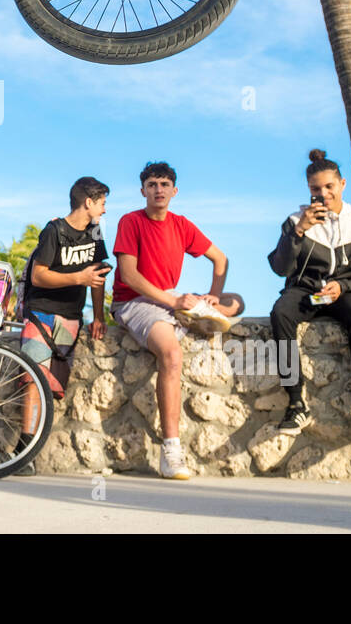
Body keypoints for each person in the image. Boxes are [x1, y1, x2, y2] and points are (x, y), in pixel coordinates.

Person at [110, 161, 245, 480]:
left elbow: (220, 258)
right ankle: (171, 451)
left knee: (235, 301)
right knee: (171, 354)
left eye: (164, 184)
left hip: (170, 299)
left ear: (174, 191)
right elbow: (129, 275)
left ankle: (203, 314)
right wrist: (173, 301)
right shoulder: (130, 221)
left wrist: (212, 296)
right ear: (143, 190)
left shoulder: (182, 224)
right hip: (134, 302)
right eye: (152, 184)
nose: (159, 189)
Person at [268, 149, 351, 447]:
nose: (323, 194)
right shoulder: (295, 221)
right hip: (305, 292)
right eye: (315, 189)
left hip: (345, 293)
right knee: (280, 311)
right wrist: (298, 232)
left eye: (329, 187)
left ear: (342, 184)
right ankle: (295, 402)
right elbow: (280, 267)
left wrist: (343, 288)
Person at [18, 177, 110, 461]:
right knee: (32, 379)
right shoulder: (54, 230)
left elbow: (98, 276)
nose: (105, 210)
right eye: (103, 203)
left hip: (71, 318)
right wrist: (77, 277)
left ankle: (33, 450)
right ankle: (23, 453)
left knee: (52, 387)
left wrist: (97, 317)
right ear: (88, 202)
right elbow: (38, 275)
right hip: (41, 313)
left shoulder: (94, 232)